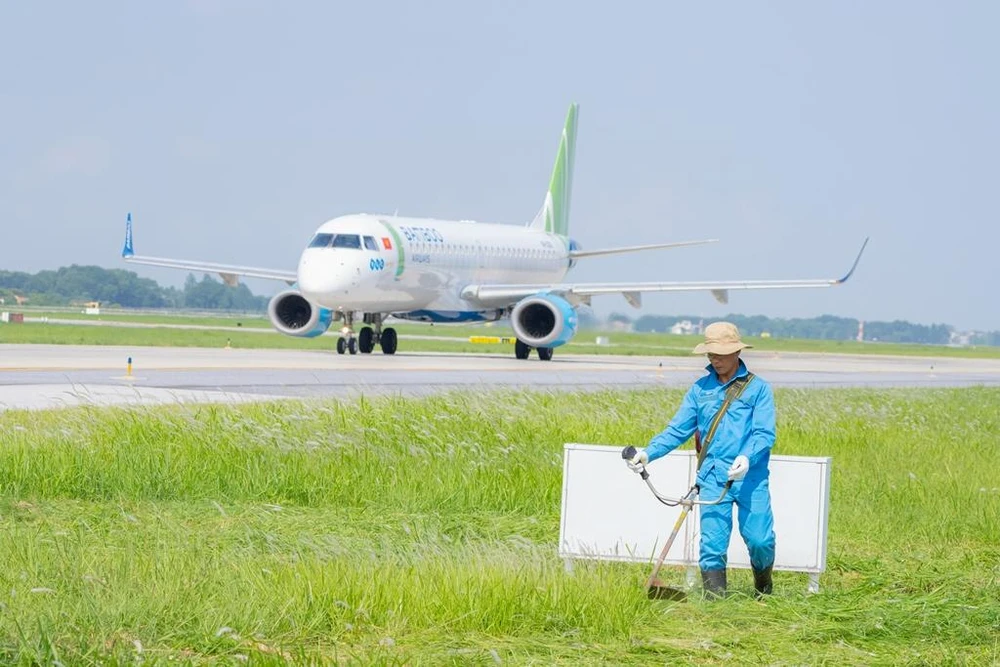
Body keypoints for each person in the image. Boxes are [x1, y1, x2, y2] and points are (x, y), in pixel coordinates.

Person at [628, 321, 776, 599]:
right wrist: (648, 453)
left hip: (750, 479)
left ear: (736, 352)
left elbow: (764, 434)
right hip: (711, 476)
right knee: (712, 546)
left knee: (760, 539)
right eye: (711, 354)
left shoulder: (759, 389)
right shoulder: (700, 390)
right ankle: (715, 604)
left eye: (720, 354)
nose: (714, 359)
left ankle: (763, 590)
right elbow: (676, 430)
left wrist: (747, 456)